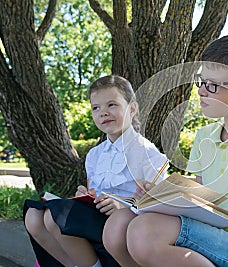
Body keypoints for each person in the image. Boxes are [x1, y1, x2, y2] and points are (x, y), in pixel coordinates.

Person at [103, 32, 228, 267]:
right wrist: (160, 196)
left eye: (213, 85)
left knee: (146, 232)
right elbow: (203, 199)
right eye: (201, 82)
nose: (201, 91)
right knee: (119, 223)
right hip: (216, 236)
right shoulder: (206, 136)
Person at [23, 75, 168, 267]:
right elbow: (95, 191)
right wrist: (84, 196)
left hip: (121, 228)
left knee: (54, 217)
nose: (103, 113)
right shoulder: (94, 155)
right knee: (33, 216)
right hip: (95, 219)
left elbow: (161, 206)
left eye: (112, 105)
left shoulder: (147, 153)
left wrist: (123, 207)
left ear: (132, 109)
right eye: (96, 108)